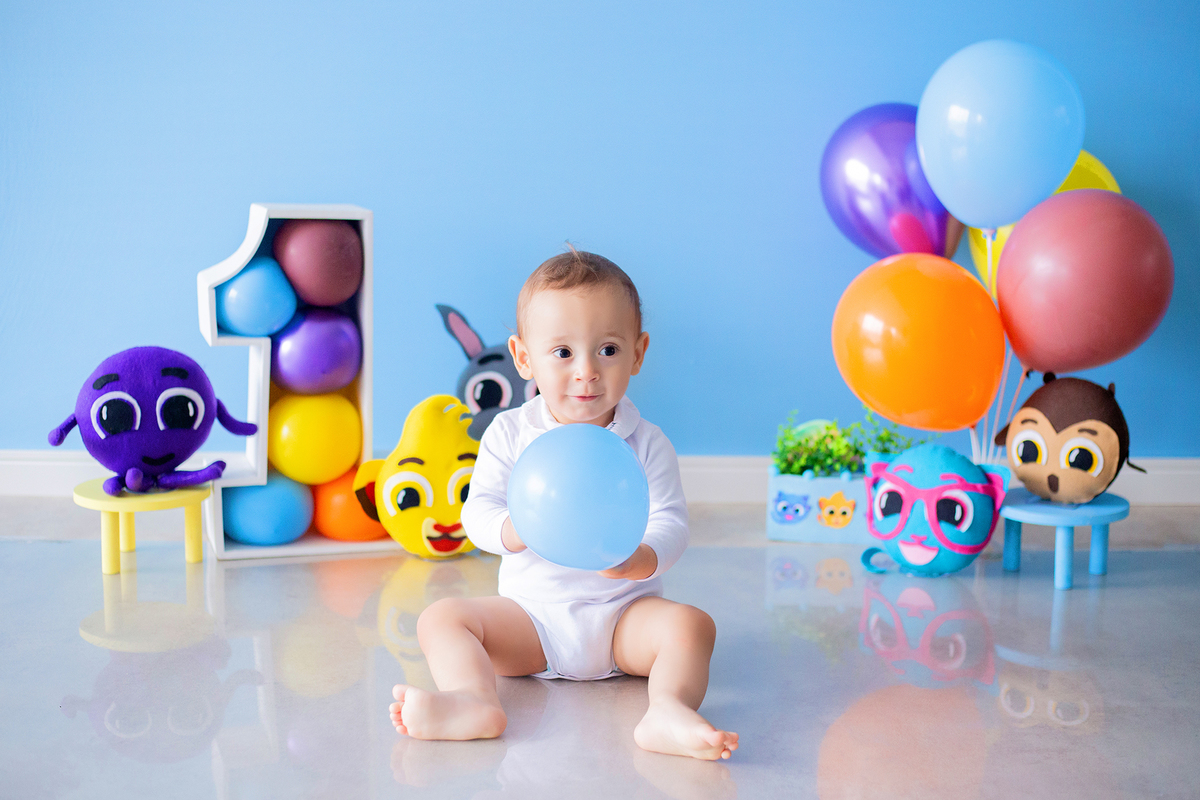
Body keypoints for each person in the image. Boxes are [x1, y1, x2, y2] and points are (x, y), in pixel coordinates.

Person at [388, 248, 738, 761]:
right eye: (562, 353)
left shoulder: (647, 442)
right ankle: (472, 700)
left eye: (608, 350)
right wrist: (514, 529)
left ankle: (666, 708)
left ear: (638, 353)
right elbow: (476, 511)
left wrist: (645, 555)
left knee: (692, 626)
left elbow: (671, 520)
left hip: (622, 618)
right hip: (530, 621)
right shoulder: (509, 433)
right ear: (524, 357)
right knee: (440, 618)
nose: (587, 373)